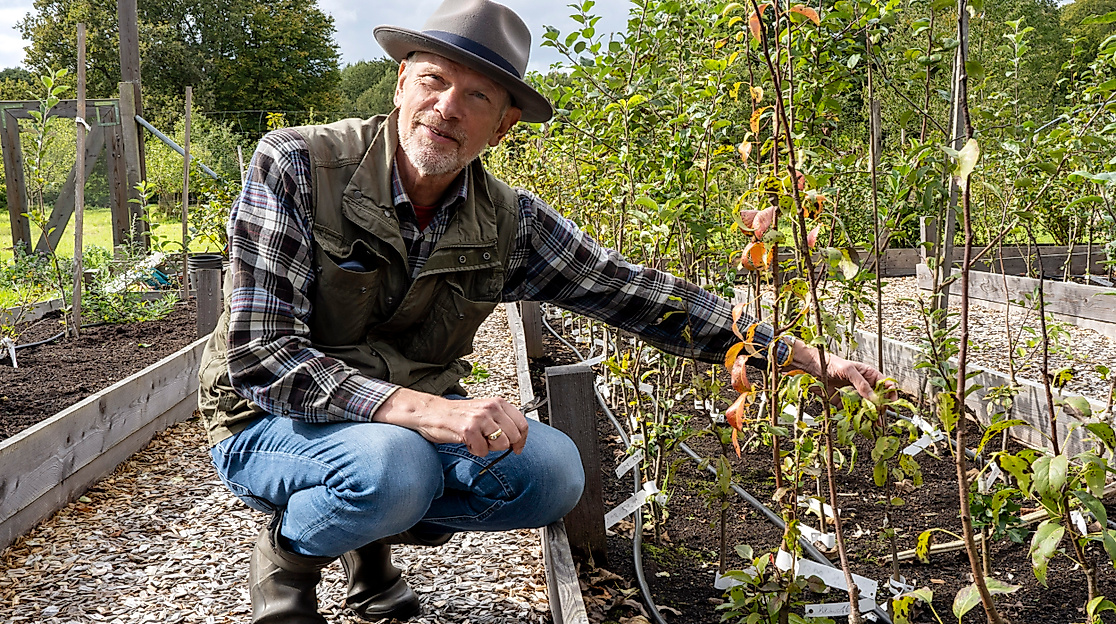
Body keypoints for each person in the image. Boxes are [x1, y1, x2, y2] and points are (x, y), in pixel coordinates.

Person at [197, 1, 894, 622]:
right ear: (402, 81)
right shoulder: (295, 165)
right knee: (395, 466)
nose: (447, 108)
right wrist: (434, 412)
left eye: (477, 97)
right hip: (267, 420)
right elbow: (264, 359)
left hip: (388, 433)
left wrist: (800, 355)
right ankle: (289, 558)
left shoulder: (509, 223)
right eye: (434, 81)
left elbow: (637, 293)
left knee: (552, 473)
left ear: (501, 128)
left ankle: (368, 534)